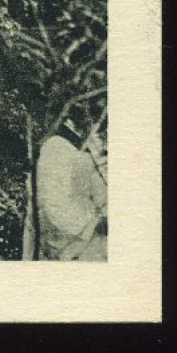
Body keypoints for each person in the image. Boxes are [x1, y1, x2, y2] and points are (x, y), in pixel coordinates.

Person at [34, 110, 108, 261]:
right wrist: (93, 223)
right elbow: (54, 202)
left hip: (63, 232)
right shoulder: (70, 153)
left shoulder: (55, 146)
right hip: (75, 234)